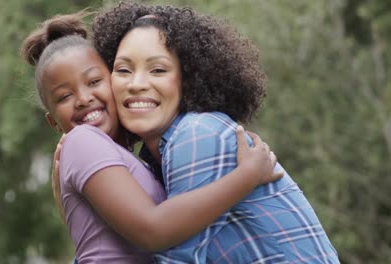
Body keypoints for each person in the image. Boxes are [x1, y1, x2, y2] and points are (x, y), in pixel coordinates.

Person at [20, 11, 282, 263]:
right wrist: (246, 177)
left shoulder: (132, 159)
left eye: (94, 82)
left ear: (112, 80)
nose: (83, 98)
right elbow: (152, 230)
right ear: (53, 122)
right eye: (65, 96)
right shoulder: (82, 141)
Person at [93, 2, 340, 263]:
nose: (137, 84)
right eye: (123, 70)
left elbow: (176, 257)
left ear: (188, 79)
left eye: (158, 70)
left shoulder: (197, 134)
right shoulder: (159, 155)